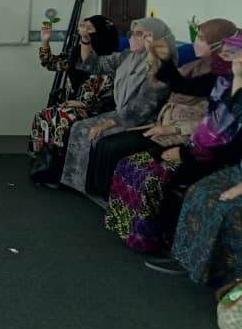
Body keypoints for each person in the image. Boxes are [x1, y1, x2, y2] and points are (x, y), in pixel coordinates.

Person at [103, 32, 242, 253]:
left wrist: (184, 154)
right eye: (228, 52)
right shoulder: (220, 81)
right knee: (130, 164)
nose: (228, 57)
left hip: (217, 160)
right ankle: (131, 231)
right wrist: (166, 60)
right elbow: (181, 85)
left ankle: (159, 241)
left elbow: (231, 149)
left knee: (153, 177)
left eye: (234, 53)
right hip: (197, 148)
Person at [86, 19, 238, 197]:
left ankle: (126, 212)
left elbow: (211, 122)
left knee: (125, 158)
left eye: (202, 38)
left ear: (219, 43)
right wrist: (158, 57)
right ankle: (110, 203)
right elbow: (170, 81)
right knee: (112, 149)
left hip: (185, 135)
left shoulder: (223, 78)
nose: (196, 41)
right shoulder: (201, 67)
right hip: (170, 127)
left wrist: (175, 137)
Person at [59, 16, 176, 194]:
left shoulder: (161, 67)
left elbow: (141, 109)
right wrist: (85, 39)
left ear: (155, 38)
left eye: (139, 34)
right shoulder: (127, 56)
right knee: (78, 127)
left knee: (94, 133)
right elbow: (93, 65)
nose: (131, 38)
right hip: (122, 113)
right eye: (132, 33)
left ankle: (97, 188)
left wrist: (105, 124)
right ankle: (79, 183)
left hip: (142, 120)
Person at [27, 15, 118, 185]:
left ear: (102, 33)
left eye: (89, 29)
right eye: (84, 27)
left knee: (63, 117)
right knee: (43, 115)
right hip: (71, 105)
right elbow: (50, 63)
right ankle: (41, 164)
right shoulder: (76, 52)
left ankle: (59, 172)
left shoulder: (111, 61)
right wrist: (45, 42)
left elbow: (113, 98)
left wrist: (85, 105)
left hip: (96, 111)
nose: (84, 31)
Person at [161, 160, 242, 284]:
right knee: (196, 191)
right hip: (238, 172)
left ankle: (204, 269)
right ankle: (182, 256)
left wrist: (238, 189)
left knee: (220, 206)